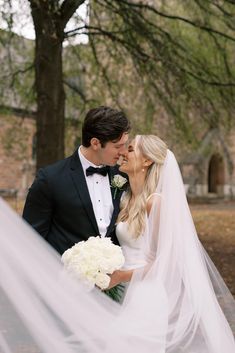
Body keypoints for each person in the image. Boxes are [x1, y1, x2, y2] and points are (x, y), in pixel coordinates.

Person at [0, 135, 234, 353]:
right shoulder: (125, 198)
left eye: (130, 149)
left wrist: (121, 276)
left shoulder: (156, 203)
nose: (123, 154)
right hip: (119, 292)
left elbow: (164, 262)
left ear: (146, 162)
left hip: (146, 295)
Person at [22, 106, 130, 254]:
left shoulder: (123, 176)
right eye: (118, 146)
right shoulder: (50, 179)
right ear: (95, 143)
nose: (124, 152)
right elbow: (31, 239)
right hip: (62, 274)